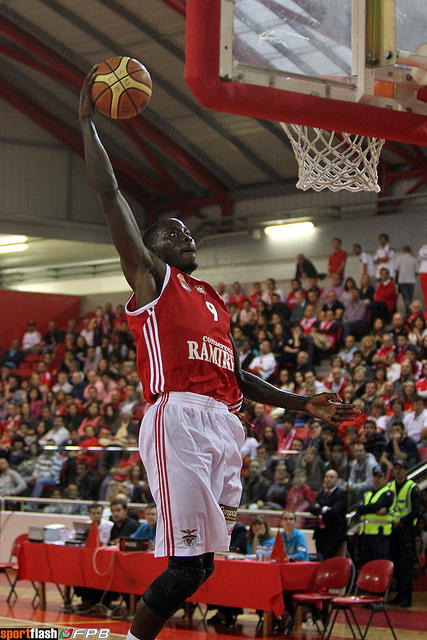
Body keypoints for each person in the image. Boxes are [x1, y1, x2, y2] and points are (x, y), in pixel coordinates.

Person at [79, 69, 358, 640]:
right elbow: (110, 196)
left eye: (189, 233)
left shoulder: (213, 301)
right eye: (175, 233)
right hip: (178, 418)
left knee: (203, 566)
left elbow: (234, 376)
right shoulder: (152, 281)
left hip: (223, 424)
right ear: (149, 248)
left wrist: (300, 403)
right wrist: (87, 121)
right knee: (185, 567)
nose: (188, 238)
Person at [389, 460, 421, 607]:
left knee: (406, 564)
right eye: (396, 468)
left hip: (406, 531)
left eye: (401, 468)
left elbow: (416, 511)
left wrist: (401, 521)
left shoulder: (412, 488)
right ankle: (399, 594)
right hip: (393, 530)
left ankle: (407, 596)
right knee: (395, 563)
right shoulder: (390, 487)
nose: (398, 471)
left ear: (406, 471)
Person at [355, 463, 393, 566]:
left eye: (380, 476)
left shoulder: (388, 493)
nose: (377, 479)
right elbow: (362, 508)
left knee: (379, 565)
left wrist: (364, 509)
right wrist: (369, 509)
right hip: (365, 535)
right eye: (375, 476)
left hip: (379, 535)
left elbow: (376, 505)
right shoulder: (368, 494)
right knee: (365, 565)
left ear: (385, 478)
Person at [309, 469, 348, 559]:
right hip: (320, 533)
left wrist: (320, 507)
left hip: (334, 533)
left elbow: (335, 510)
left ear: (337, 480)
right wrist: (326, 508)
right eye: (327, 477)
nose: (329, 479)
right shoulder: (320, 493)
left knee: (327, 557)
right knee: (319, 557)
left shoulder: (341, 493)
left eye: (331, 477)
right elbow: (312, 508)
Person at [394, 246, 418, 314]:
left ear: (403, 251)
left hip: (402, 281)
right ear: (410, 251)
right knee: (410, 298)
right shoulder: (414, 259)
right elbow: (416, 272)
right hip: (411, 281)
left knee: (406, 298)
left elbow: (396, 269)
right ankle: (409, 313)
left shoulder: (399, 259)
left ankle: (409, 312)